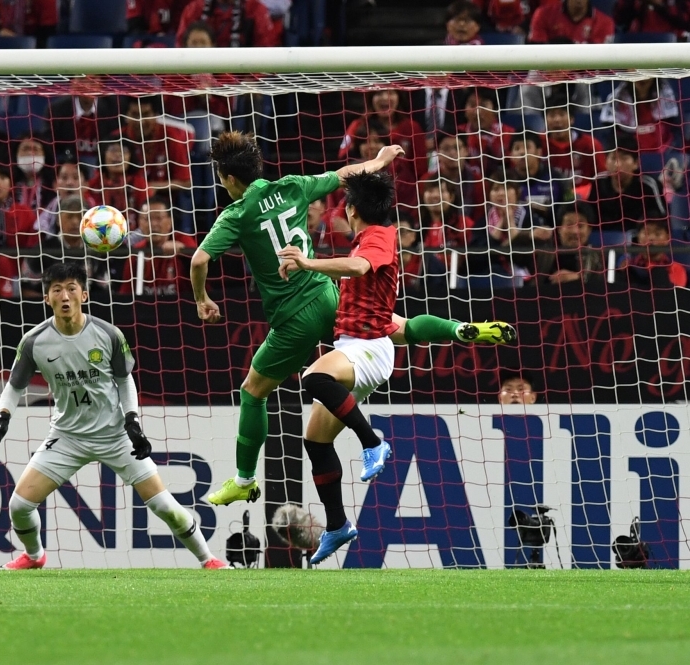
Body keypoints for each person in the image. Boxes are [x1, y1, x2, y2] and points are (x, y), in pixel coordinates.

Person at [191, 132, 516, 506]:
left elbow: (199, 260)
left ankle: (244, 478)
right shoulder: (293, 186)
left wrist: (202, 299)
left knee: (253, 391)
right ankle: (458, 328)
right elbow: (344, 174)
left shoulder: (235, 213)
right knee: (393, 326)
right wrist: (378, 162)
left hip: (292, 319)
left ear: (229, 178)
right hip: (329, 296)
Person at [0, 261, 227, 570]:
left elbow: (125, 380)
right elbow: (14, 385)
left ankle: (209, 560)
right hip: (67, 437)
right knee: (19, 505)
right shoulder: (35, 341)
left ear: (84, 295)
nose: (65, 296)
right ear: (47, 298)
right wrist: (2, 417)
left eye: (72, 289)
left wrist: (133, 421)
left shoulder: (108, 334)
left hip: (114, 436)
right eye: (57, 290)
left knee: (165, 506)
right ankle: (34, 556)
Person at [275, 170, 401, 564]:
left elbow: (360, 268)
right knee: (315, 440)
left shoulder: (377, 237)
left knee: (315, 376)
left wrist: (307, 263)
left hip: (367, 349)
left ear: (351, 210)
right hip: (355, 346)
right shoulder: (370, 236)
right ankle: (337, 525)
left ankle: (373, 442)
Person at [175, 0, 279, 47]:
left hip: (244, 76)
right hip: (198, 75)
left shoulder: (255, 9)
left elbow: (266, 46)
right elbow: (180, 46)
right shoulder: (194, 9)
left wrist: (254, 78)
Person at [528, 0, 615, 43]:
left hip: (584, 74)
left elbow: (599, 59)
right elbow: (536, 48)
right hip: (547, 69)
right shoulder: (543, 14)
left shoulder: (605, 23)